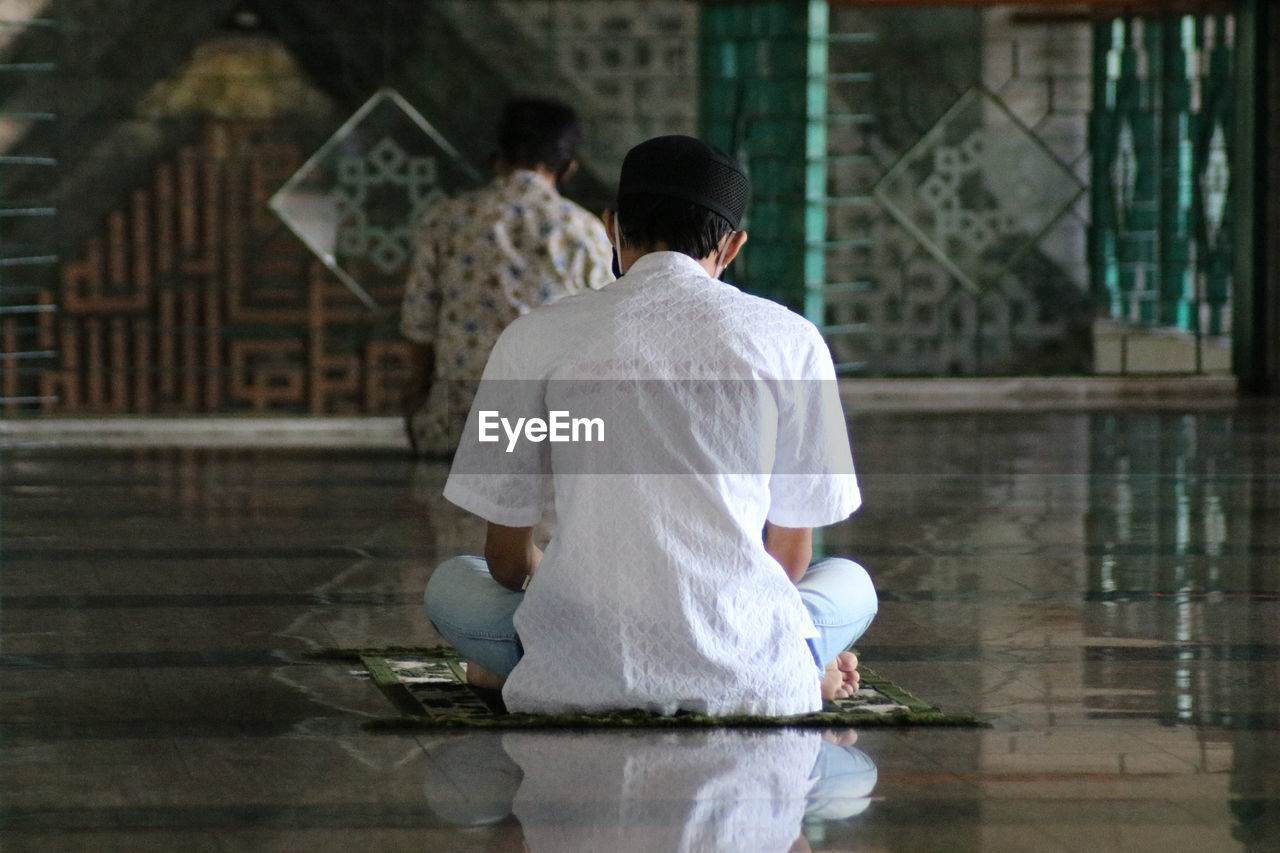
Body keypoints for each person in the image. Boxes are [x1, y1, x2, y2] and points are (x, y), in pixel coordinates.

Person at [425, 135, 877, 716]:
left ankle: (514, 667)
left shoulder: (533, 338)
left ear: (611, 227)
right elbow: (789, 560)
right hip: (746, 666)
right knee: (848, 582)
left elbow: (507, 564)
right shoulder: (792, 342)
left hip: (575, 667)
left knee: (452, 585)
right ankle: (801, 662)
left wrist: (568, 575)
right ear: (733, 246)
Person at [400, 97, 614, 456]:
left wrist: (419, 399)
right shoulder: (584, 232)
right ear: (569, 169)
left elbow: (418, 326)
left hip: (457, 429)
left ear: (497, 157)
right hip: (551, 436)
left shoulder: (445, 220)